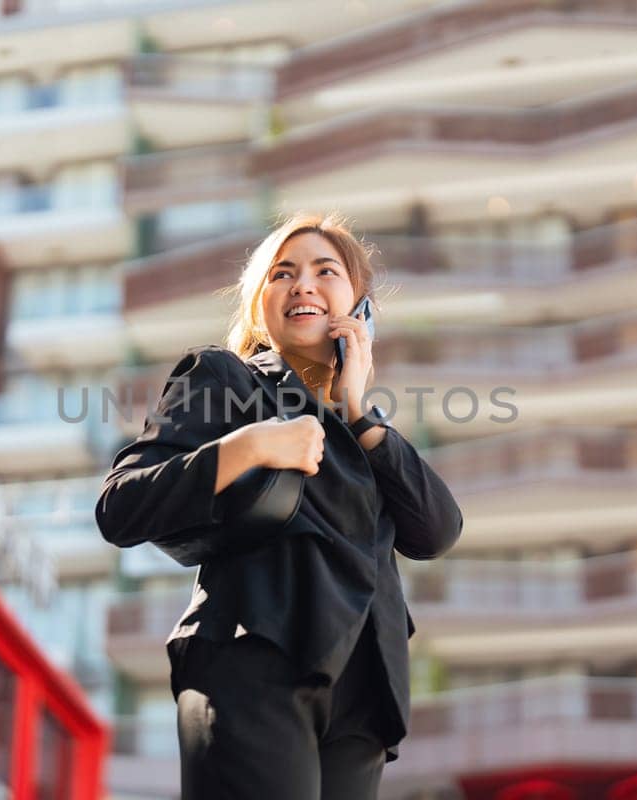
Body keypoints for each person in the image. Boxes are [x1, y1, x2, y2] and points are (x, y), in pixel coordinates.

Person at [95, 212, 464, 799]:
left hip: (361, 693)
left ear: (360, 308)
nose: (303, 284)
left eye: (326, 271)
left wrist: (358, 413)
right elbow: (120, 503)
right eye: (282, 273)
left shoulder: (364, 429)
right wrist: (244, 448)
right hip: (253, 659)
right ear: (258, 306)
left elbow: (438, 530)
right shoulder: (223, 377)